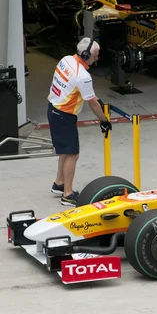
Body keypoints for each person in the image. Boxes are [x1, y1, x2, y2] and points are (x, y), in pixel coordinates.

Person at [47, 38, 112, 206]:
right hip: (64, 115)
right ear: (85, 54)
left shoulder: (66, 60)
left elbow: (78, 89)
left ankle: (59, 184)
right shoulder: (83, 76)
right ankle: (67, 194)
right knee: (73, 154)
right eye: (95, 56)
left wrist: (98, 100)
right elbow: (91, 102)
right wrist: (103, 120)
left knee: (65, 151)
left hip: (53, 109)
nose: (97, 59)